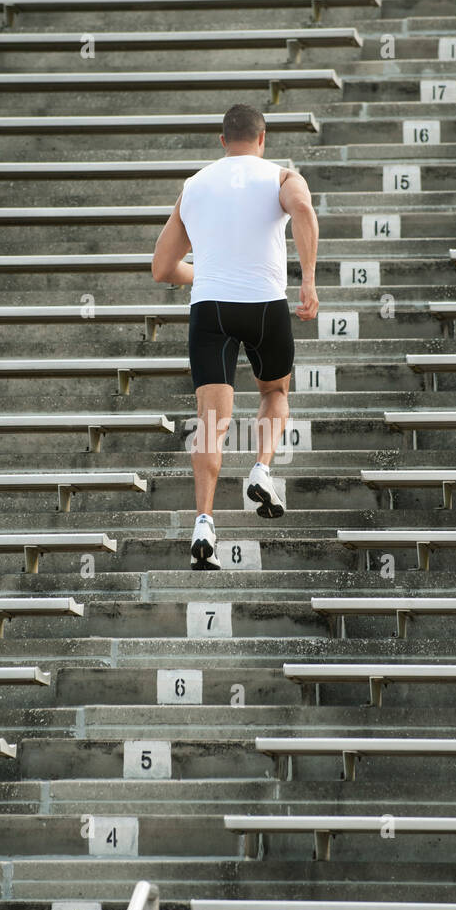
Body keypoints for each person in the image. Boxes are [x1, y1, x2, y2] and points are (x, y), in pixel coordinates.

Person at [152, 103, 319, 569]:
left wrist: (206, 272)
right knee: (276, 392)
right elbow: (303, 209)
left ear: (222, 141)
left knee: (211, 423)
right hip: (265, 305)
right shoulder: (282, 177)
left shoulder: (195, 186)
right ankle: (262, 469)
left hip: (211, 311)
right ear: (262, 139)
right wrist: (307, 279)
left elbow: (162, 268)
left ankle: (203, 520)